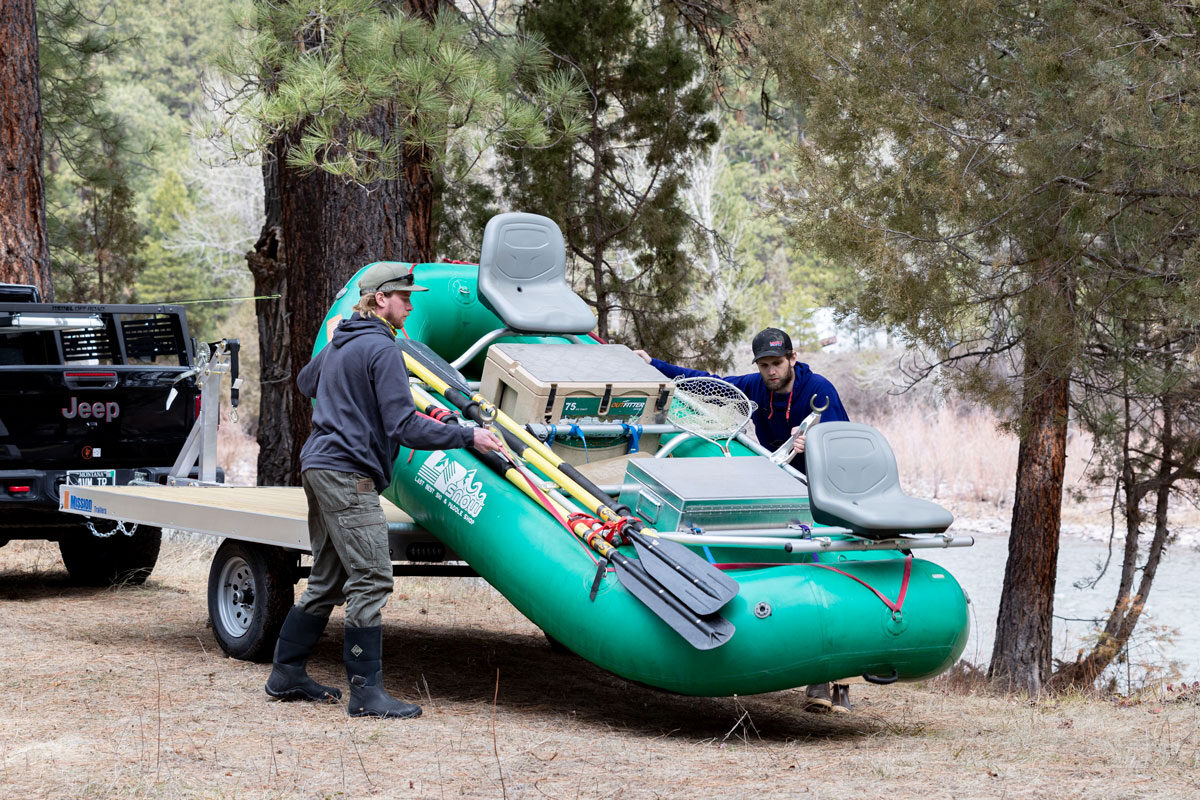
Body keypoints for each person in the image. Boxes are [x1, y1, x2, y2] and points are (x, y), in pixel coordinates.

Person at [265, 262, 504, 719]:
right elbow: (403, 425)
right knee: (372, 577)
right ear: (380, 300)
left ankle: (286, 673)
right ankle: (366, 693)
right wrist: (467, 436)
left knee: (328, 578)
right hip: (347, 475)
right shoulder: (382, 349)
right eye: (404, 297)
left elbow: (305, 382)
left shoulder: (344, 340)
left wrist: (334, 342)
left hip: (319, 467)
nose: (411, 306)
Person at [635, 326, 853, 714]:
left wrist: (812, 446)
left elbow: (842, 445)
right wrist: (654, 364)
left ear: (793, 359)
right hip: (782, 487)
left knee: (829, 569)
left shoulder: (818, 390)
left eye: (777, 363)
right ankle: (800, 663)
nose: (771, 371)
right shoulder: (755, 388)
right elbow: (709, 384)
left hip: (823, 492)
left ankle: (836, 683)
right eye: (764, 364)